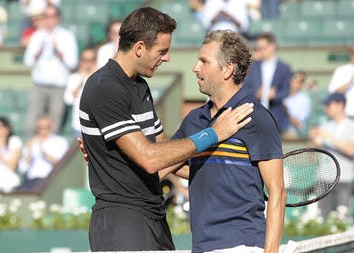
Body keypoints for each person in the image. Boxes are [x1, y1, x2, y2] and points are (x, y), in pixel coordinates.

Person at [79, 7, 253, 252]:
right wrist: (213, 133)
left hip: (153, 216)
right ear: (139, 48)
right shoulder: (104, 87)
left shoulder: (139, 87)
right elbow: (151, 159)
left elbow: (165, 151)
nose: (167, 57)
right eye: (162, 51)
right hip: (121, 222)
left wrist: (225, 175)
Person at [166, 30, 286, 253]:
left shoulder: (255, 116)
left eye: (204, 61)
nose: (195, 68)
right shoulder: (193, 119)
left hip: (243, 245)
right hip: (201, 246)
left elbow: (277, 191)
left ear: (228, 69)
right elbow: (168, 163)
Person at [23, 4, 78, 137]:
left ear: (58, 18)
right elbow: (28, 61)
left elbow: (73, 63)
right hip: (39, 86)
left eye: (52, 16)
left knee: (54, 125)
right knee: (31, 124)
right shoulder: (37, 36)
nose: (49, 20)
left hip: (58, 87)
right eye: (46, 16)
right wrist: (38, 52)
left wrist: (59, 53)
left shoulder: (67, 36)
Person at [309, 93, 354, 219]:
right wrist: (313, 138)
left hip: (344, 178)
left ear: (340, 105)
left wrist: (329, 137)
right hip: (323, 178)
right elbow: (314, 150)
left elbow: (351, 150)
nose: (326, 108)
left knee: (342, 218)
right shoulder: (325, 126)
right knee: (321, 217)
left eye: (329, 105)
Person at [243, 32, 292, 134]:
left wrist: (275, 95)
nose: (261, 51)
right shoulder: (252, 67)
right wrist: (256, 94)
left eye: (263, 48)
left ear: (273, 46)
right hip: (254, 117)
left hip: (276, 117)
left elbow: (286, 91)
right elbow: (244, 88)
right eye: (258, 48)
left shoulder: (284, 68)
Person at [328, 40, 354, 138]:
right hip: (347, 117)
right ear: (351, 54)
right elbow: (333, 95)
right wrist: (350, 81)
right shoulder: (341, 70)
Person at [17, 114, 69, 190]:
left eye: (46, 127)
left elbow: (62, 164)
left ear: (51, 127)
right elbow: (23, 167)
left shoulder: (60, 142)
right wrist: (29, 152)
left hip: (50, 180)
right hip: (32, 180)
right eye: (40, 128)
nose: (43, 130)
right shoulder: (31, 142)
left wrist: (44, 153)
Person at [64, 47, 97, 137]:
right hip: (78, 125)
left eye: (91, 60)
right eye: (85, 60)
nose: (87, 63)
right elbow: (68, 100)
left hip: (96, 126)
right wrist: (81, 80)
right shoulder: (74, 78)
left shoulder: (100, 77)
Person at [0, 117, 22, 193]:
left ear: (7, 129)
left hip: (8, 180)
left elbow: (12, 166)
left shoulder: (14, 141)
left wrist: (0, 154)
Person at [283, 70, 311, 138]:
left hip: (296, 135)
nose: (294, 83)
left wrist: (285, 112)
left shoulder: (305, 99)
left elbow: (299, 124)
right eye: (293, 80)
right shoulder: (281, 96)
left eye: (298, 82)